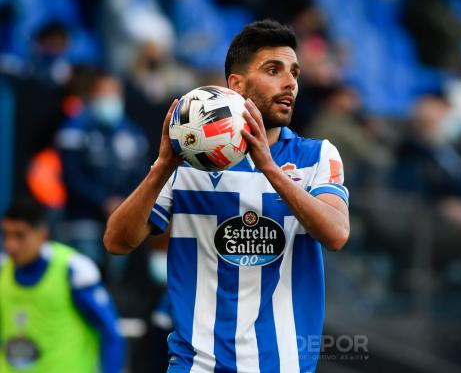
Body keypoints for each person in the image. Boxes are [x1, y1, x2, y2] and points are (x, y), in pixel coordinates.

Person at [105, 19, 351, 372]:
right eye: (273, 70)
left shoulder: (317, 156)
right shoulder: (188, 163)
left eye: (294, 73)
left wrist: (269, 168)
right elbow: (117, 241)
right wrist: (161, 168)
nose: (290, 83)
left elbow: (336, 233)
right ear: (235, 85)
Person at [0, 197, 125, 372]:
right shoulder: (3, 271)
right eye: (6, 235)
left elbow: (111, 333)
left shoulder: (73, 270)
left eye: (20, 235)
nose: (10, 245)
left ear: (42, 234)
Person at [56, 70, 148, 269]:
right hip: (82, 218)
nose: (109, 99)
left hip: (121, 216)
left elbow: (141, 176)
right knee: (84, 271)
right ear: (92, 95)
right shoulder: (74, 130)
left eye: (114, 94)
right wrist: (104, 201)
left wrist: (123, 202)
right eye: (104, 94)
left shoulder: (133, 134)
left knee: (116, 278)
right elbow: (71, 176)